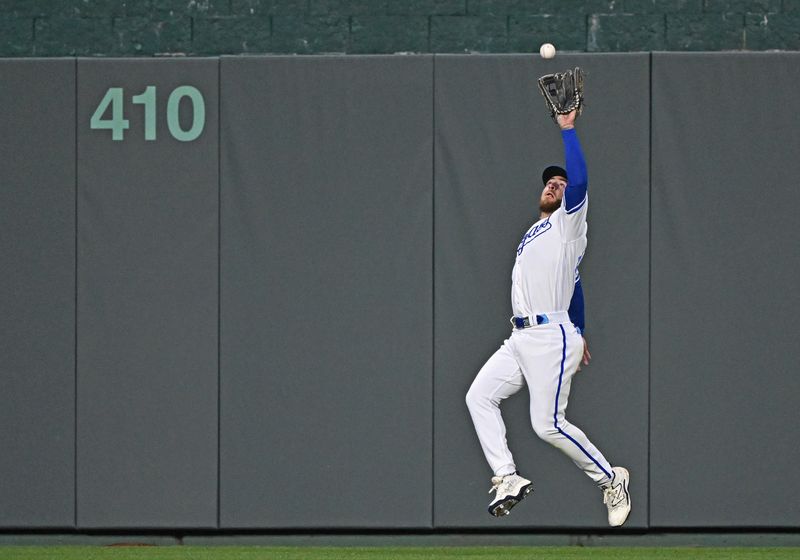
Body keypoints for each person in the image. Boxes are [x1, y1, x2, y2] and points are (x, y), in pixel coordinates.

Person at [464, 109, 631, 526]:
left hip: (548, 335)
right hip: (521, 338)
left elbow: (580, 181)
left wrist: (568, 130)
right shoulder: (532, 234)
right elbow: (573, 281)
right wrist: (581, 327)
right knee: (478, 397)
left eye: (560, 184)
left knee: (547, 424)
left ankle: (611, 478)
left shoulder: (568, 224)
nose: (553, 185)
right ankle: (507, 477)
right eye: (548, 182)